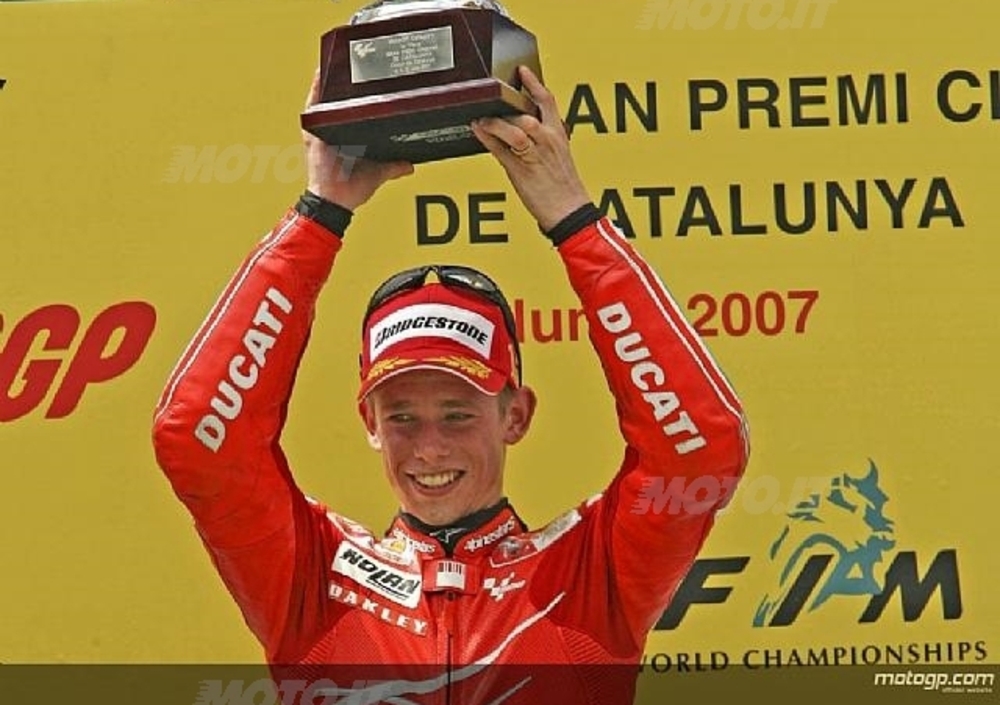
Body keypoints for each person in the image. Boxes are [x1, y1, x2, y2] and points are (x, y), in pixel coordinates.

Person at [152, 65, 749, 705]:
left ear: (515, 415)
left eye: (458, 413)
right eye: (402, 415)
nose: (429, 447)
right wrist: (319, 215)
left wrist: (573, 219)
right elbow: (197, 439)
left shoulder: (589, 577)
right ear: (369, 422)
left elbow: (701, 448)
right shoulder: (312, 581)